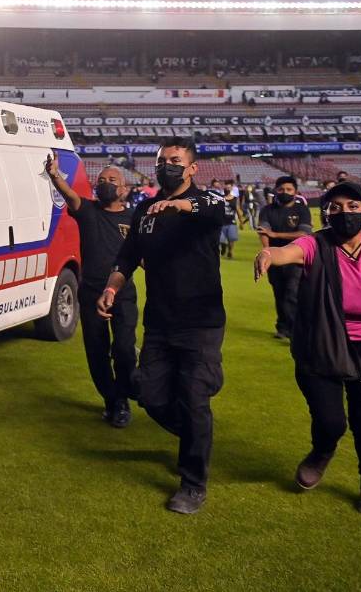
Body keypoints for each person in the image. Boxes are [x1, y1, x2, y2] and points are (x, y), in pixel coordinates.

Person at [253, 180, 361, 517]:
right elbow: (289, 252)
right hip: (321, 348)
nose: (345, 213)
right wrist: (269, 253)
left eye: (353, 207)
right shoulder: (317, 245)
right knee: (331, 422)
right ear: (326, 214)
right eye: (335, 208)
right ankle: (321, 453)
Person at [98, 137, 230, 515]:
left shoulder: (205, 205)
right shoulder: (144, 212)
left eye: (175, 160)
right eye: (161, 160)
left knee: (193, 396)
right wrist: (111, 287)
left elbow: (215, 206)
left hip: (200, 322)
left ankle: (193, 483)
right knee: (149, 394)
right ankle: (195, 433)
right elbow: (127, 258)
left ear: (192, 168)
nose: (166, 166)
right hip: (160, 322)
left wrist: (180, 205)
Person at [45, 155, 137, 427]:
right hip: (90, 294)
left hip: (124, 295)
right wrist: (54, 175)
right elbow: (71, 196)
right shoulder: (87, 211)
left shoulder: (134, 219)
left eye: (112, 180)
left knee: (124, 350)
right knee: (97, 353)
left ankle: (124, 393)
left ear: (124, 189)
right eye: (102, 180)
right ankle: (115, 402)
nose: (106, 184)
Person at [258, 176, 313, 340]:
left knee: (291, 293)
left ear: (296, 192)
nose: (285, 192)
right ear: (276, 190)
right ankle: (282, 327)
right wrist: (267, 252)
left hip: (295, 257)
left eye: (289, 190)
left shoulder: (302, 210)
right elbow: (263, 231)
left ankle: (295, 329)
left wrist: (275, 234)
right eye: (281, 189)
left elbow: (304, 233)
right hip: (274, 259)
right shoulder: (267, 210)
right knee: (279, 293)